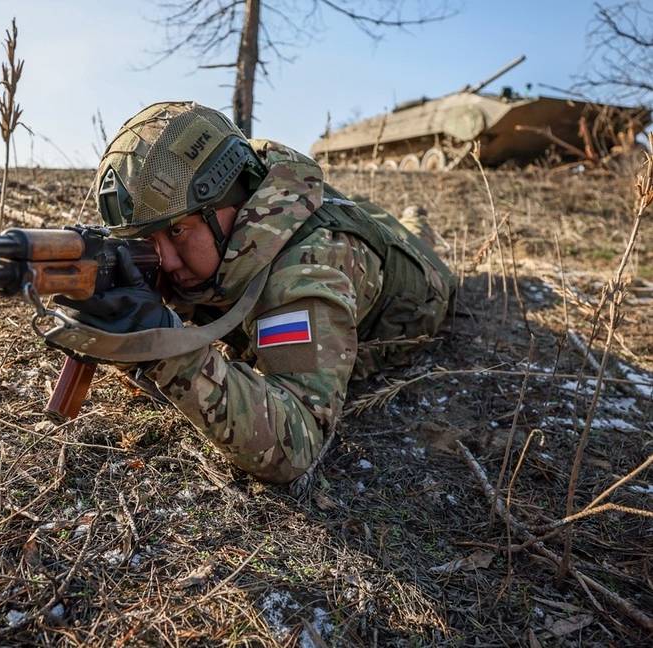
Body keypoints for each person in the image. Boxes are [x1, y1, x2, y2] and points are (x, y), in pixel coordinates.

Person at [52, 101, 454, 487]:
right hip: (351, 224)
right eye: (148, 240)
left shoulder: (307, 271)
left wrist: (168, 349)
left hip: (423, 281)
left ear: (231, 199)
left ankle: (418, 216)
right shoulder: (225, 221)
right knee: (377, 215)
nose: (168, 262)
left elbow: (297, 445)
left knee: (413, 230)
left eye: (177, 231)